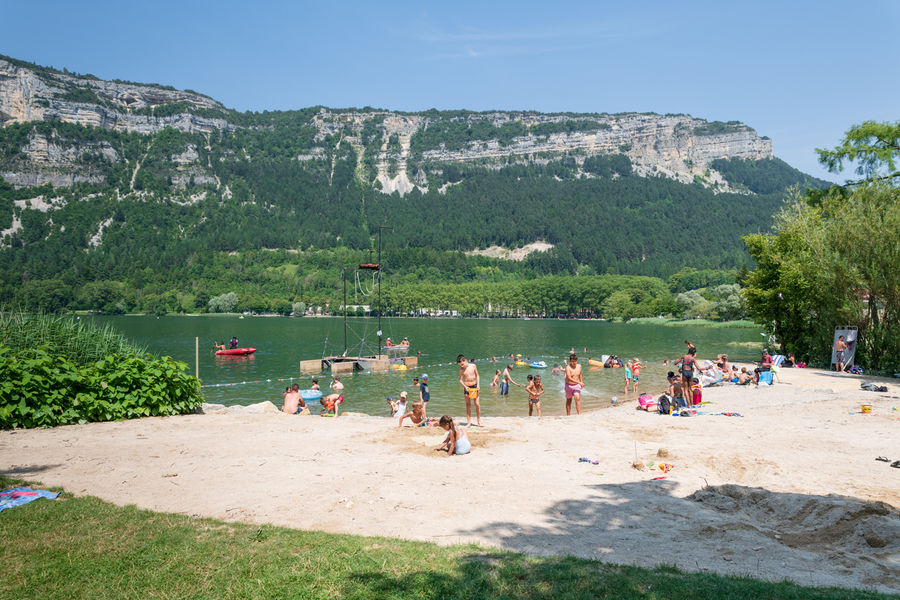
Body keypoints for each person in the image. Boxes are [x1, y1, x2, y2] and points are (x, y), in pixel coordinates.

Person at [457, 354, 482, 427]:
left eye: (462, 364)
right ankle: (468, 422)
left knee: (477, 404)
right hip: (467, 387)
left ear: (465, 360)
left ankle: (479, 421)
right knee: (468, 405)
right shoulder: (461, 370)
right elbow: (460, 380)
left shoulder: (473, 366)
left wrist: (478, 384)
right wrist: (465, 386)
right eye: (460, 365)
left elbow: (477, 375)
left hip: (474, 386)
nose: (461, 366)